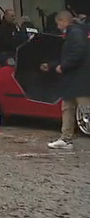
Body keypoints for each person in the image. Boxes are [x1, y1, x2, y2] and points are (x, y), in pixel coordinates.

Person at [44, 10, 89, 150]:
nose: (58, 26)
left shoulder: (75, 33)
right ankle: (65, 138)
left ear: (64, 21)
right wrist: (52, 65)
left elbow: (78, 52)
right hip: (73, 80)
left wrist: (64, 66)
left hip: (79, 79)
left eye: (58, 23)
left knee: (86, 109)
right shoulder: (73, 33)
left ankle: (66, 138)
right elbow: (70, 54)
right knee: (67, 108)